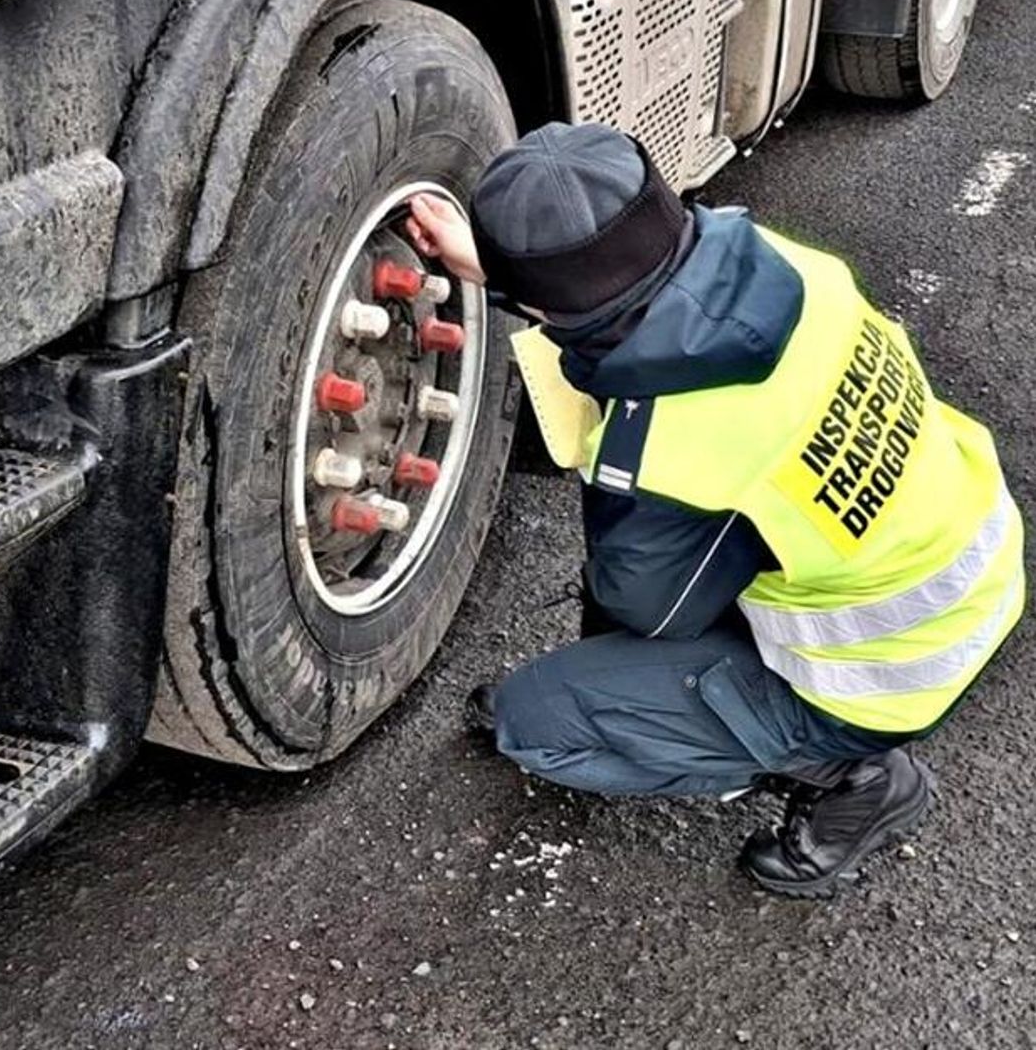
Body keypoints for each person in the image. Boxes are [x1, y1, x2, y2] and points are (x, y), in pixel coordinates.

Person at [405, 121, 1025, 897]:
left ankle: (861, 778)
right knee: (701, 564)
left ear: (549, 306)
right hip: (963, 553)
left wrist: (615, 492)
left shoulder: (664, 444)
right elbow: (626, 303)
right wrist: (513, 279)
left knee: (534, 722)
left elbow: (649, 612)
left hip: (891, 667)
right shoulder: (789, 265)